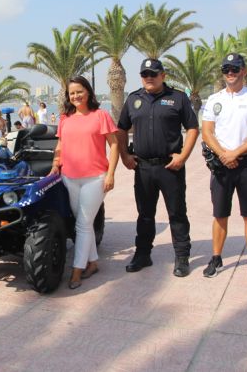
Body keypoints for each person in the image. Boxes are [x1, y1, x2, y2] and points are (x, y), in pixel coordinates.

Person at [117, 58, 199, 277]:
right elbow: (121, 129)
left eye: (154, 74)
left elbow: (192, 128)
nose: (149, 78)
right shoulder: (133, 99)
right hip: (142, 168)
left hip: (170, 167)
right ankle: (143, 254)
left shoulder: (177, 98)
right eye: (145, 74)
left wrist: (184, 156)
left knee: (177, 213)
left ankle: (182, 257)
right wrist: (125, 154)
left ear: (163, 75)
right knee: (145, 214)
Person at [201, 53, 247, 282]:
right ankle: (216, 258)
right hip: (221, 165)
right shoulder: (213, 99)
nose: (230, 73)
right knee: (220, 215)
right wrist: (223, 154)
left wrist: (235, 153)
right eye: (226, 69)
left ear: (244, 71)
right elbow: (207, 131)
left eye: (235, 68)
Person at [50, 76, 119, 289]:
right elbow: (61, 145)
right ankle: (93, 262)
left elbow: (114, 145)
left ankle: (77, 271)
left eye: (79, 91)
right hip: (69, 178)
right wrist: (55, 164)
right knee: (83, 223)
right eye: (72, 93)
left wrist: (110, 174)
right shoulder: (65, 119)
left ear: (88, 92)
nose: (76, 96)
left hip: (95, 178)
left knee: (82, 224)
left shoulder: (101, 116)